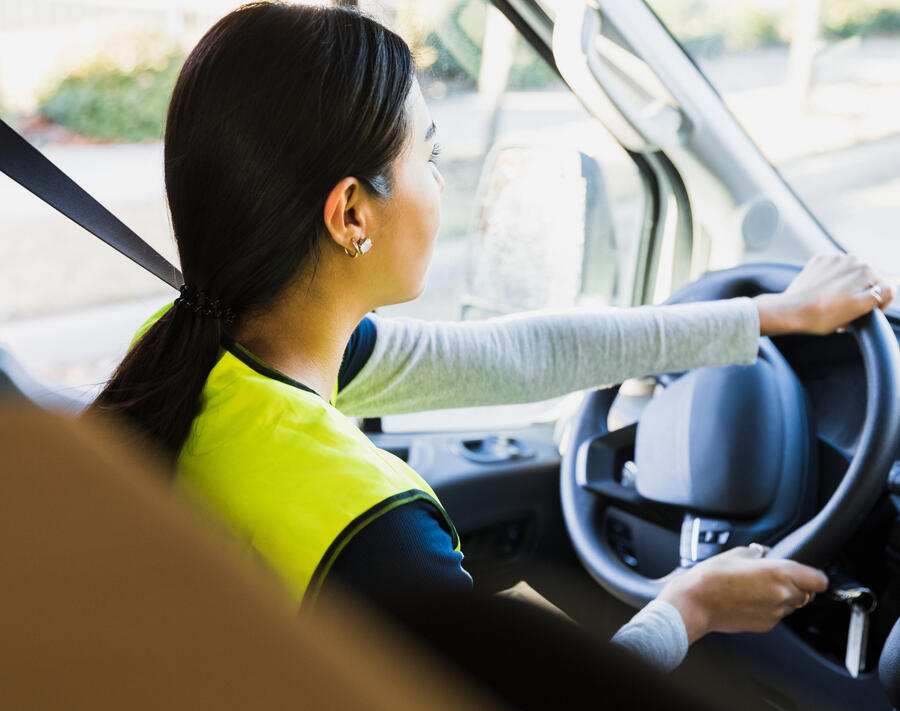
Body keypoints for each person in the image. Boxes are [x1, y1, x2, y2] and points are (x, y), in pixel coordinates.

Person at [89, 2, 892, 672]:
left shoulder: (191, 349)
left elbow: (515, 355)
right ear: (350, 214)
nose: (441, 183)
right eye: (428, 157)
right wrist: (690, 606)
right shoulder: (371, 530)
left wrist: (766, 317)